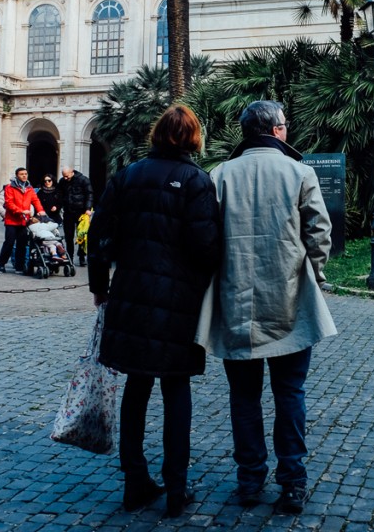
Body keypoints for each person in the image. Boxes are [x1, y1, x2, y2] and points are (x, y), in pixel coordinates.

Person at [196, 100, 335, 516]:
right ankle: (292, 482)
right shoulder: (299, 172)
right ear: (276, 130)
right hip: (290, 298)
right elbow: (320, 232)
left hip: (235, 300)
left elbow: (205, 238)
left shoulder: (219, 174)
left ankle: (249, 480)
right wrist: (316, 272)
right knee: (290, 392)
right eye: (286, 125)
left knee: (244, 397)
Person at [88, 105, 220, 518]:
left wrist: (99, 286)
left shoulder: (127, 175)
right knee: (176, 387)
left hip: (131, 292)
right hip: (179, 299)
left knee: (137, 386)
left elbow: (99, 233)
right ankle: (177, 488)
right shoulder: (197, 180)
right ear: (194, 138)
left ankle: (135, 481)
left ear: (156, 134)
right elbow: (206, 246)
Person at [0, 168, 47, 274]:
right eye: (22, 174)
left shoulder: (29, 188)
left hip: (24, 221)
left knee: (22, 244)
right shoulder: (10, 188)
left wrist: (41, 211)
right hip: (11, 220)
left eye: (26, 174)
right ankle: (1, 264)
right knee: (9, 243)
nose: (24, 176)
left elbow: (35, 200)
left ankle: (19, 266)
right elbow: (9, 203)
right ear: (16, 175)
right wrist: (21, 211)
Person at [57, 166, 93, 266]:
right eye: (63, 176)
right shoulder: (62, 181)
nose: (65, 178)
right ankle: (70, 257)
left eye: (67, 176)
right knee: (68, 237)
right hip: (68, 212)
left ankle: (82, 257)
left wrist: (88, 209)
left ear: (72, 172)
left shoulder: (83, 180)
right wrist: (58, 206)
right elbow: (60, 194)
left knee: (81, 236)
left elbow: (89, 194)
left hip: (81, 212)